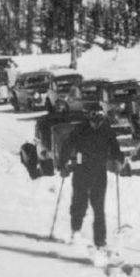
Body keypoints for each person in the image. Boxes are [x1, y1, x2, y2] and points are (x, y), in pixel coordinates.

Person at [58, 107, 124, 252]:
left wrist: (118, 161)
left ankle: (100, 241)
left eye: (99, 121)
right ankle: (75, 230)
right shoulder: (80, 129)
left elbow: (116, 150)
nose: (96, 124)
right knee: (79, 204)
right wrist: (62, 163)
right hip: (81, 168)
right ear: (89, 118)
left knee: (99, 208)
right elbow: (67, 145)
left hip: (99, 171)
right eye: (93, 121)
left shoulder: (107, 131)